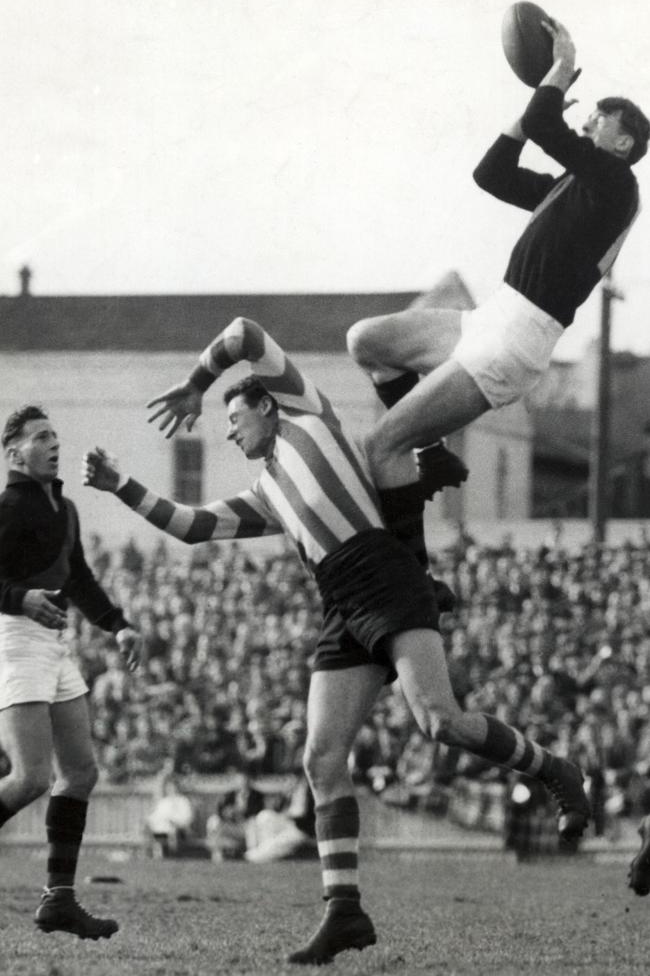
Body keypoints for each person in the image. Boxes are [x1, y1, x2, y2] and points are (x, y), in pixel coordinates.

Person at [83, 316, 590, 965]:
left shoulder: (305, 414)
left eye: (235, 416)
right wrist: (120, 484)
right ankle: (345, 911)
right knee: (321, 759)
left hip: (384, 573)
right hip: (339, 601)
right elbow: (190, 526)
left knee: (441, 722)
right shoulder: (267, 490)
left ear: (266, 404)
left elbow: (242, 333)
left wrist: (195, 383)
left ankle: (555, 770)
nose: (229, 429)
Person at [345, 19, 649, 497]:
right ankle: (432, 453)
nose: (587, 121)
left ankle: (406, 566)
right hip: (492, 318)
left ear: (623, 143)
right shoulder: (570, 189)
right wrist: (525, 121)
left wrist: (561, 66)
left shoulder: (617, 185)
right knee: (365, 341)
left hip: (517, 339)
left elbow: (547, 123)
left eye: (599, 119)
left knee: (381, 444)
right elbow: (491, 174)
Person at [0, 405, 142, 940]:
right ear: (15, 453)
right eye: (41, 437)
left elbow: (77, 576)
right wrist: (19, 598)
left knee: (79, 774)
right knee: (30, 777)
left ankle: (58, 900)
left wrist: (118, 625)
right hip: (15, 640)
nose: (54, 443)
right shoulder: (9, 507)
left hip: (54, 644)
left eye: (55, 435)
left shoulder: (66, 506)